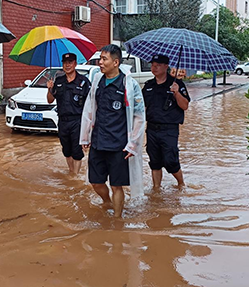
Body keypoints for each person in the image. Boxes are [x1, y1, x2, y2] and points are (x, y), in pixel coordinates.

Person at [80, 44, 145, 218]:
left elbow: (139, 116)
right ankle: (106, 201)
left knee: (117, 185)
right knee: (95, 182)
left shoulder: (129, 85)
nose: (100, 62)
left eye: (104, 59)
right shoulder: (97, 82)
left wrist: (133, 144)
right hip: (98, 141)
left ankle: (117, 220)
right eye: (100, 59)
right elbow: (89, 110)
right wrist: (85, 136)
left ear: (115, 62)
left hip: (119, 145)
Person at [143, 55, 190, 189]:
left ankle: (181, 183)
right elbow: (141, 106)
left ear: (166, 66)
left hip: (169, 129)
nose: (154, 67)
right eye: (153, 65)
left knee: (170, 160)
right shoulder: (148, 85)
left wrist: (176, 93)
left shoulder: (177, 84)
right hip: (151, 128)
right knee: (154, 161)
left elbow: (185, 106)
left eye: (158, 65)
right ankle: (156, 188)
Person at [46, 53, 91, 174]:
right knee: (66, 150)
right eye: (65, 63)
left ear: (75, 64)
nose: (67, 65)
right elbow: (50, 100)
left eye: (70, 62)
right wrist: (49, 88)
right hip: (62, 121)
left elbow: (91, 104)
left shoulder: (83, 82)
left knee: (77, 151)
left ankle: (75, 176)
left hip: (78, 121)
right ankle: (71, 172)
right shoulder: (59, 81)